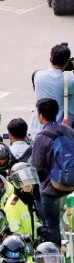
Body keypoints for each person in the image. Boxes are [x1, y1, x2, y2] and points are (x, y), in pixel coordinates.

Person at [32, 96, 74, 244]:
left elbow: (37, 168)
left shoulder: (41, 137)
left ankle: (56, 259)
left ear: (41, 116)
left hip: (51, 191)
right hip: (71, 187)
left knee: (52, 226)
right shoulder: (68, 131)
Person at [29, 43, 74, 138]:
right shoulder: (69, 81)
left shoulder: (38, 75)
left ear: (50, 59)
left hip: (37, 128)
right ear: (67, 62)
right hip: (58, 131)